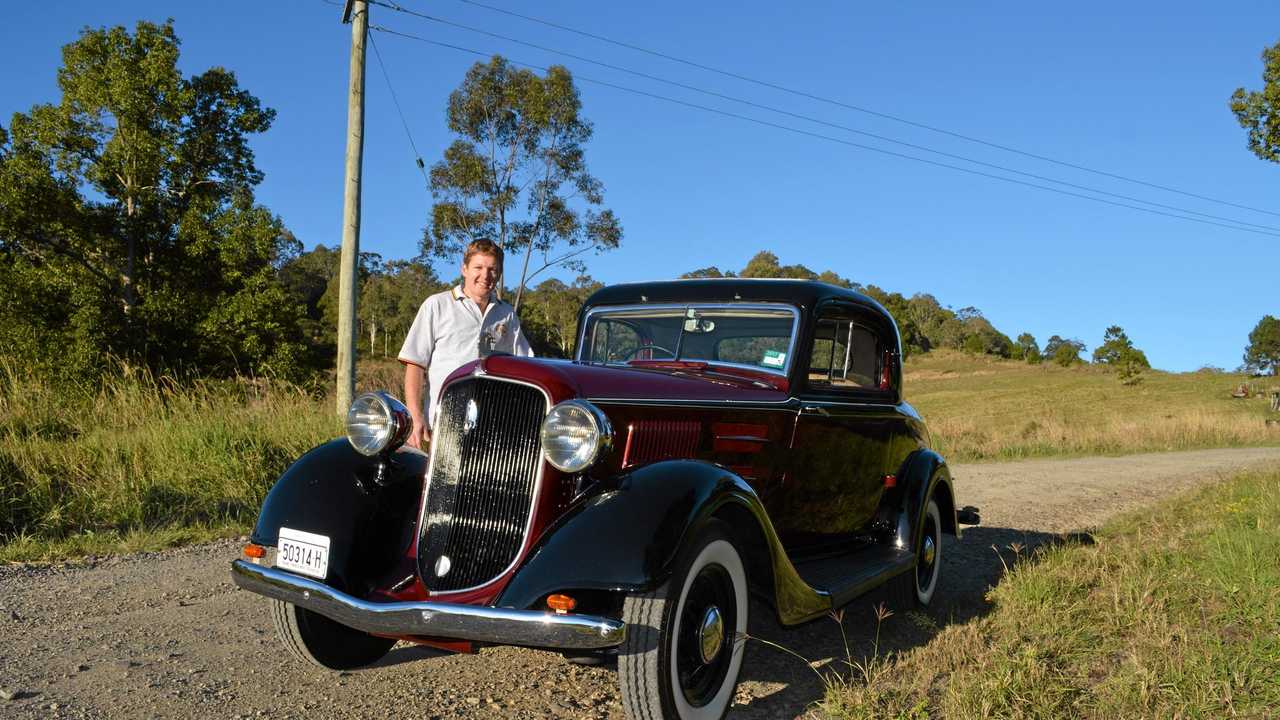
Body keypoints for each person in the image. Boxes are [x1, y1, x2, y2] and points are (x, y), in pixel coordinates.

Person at [397, 239, 533, 449]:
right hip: (445, 425)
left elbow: (526, 366)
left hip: (495, 427)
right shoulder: (437, 305)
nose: (485, 275)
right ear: (464, 269)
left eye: (492, 269)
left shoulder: (507, 314)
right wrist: (415, 416)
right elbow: (415, 365)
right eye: (478, 267)